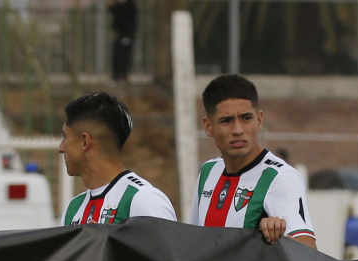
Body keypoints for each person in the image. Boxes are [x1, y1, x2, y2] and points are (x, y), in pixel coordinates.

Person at [190, 74, 317, 248]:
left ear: (259, 120)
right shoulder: (208, 171)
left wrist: (279, 240)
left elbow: (309, 251)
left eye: (246, 118)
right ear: (208, 126)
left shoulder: (280, 177)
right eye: (226, 121)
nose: (238, 130)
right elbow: (194, 242)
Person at [59, 92, 175, 225]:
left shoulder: (145, 201)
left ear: (85, 141)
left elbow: (169, 246)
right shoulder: (73, 210)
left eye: (65, 137)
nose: (60, 148)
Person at [108, 0, 135, 83]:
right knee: (117, 55)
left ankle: (123, 75)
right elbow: (112, 10)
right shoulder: (119, 5)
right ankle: (117, 75)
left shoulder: (129, 4)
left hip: (126, 33)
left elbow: (123, 13)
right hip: (120, 33)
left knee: (124, 55)